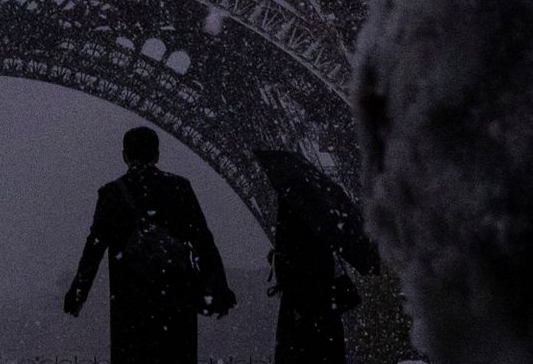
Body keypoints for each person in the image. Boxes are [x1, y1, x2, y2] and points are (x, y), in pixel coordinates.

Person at [64, 126, 235, 364]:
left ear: (125, 155)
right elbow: (203, 241)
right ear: (157, 155)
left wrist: (78, 292)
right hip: (176, 301)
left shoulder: (112, 194)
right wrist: (218, 289)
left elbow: (94, 247)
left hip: (131, 304)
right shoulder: (180, 188)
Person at [256, 148, 382, 364]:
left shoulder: (294, 200)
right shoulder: (323, 217)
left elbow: (290, 264)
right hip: (323, 309)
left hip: (301, 311)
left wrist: (279, 259)